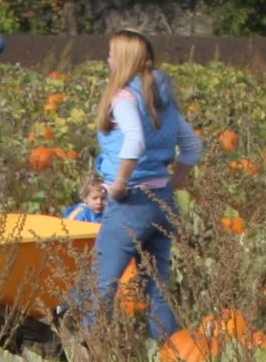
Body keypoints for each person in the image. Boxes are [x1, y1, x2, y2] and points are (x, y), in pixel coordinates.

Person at [82, 29, 202, 341]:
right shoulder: (162, 98)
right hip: (162, 202)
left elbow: (134, 141)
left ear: (122, 59)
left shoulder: (124, 97)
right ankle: (167, 355)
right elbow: (193, 147)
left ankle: (92, 356)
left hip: (130, 203)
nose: (107, 58)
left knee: (102, 283)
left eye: (111, 53)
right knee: (158, 286)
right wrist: (171, 184)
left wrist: (120, 184)